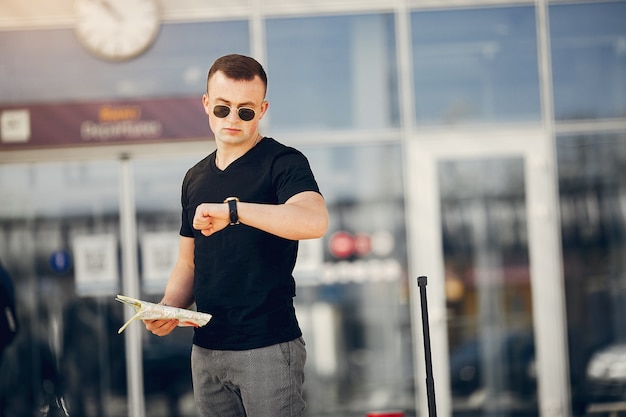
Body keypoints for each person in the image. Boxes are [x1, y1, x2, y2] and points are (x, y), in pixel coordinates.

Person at [144, 54, 329, 417]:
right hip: (207, 350)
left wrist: (234, 210)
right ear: (206, 104)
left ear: (262, 110)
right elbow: (188, 261)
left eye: (245, 111)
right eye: (223, 108)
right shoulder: (195, 178)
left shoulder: (284, 163)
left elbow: (314, 221)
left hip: (267, 346)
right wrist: (168, 307)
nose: (232, 119)